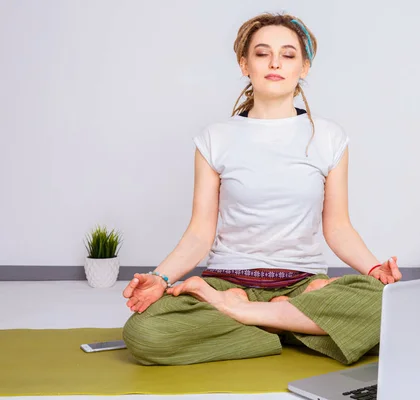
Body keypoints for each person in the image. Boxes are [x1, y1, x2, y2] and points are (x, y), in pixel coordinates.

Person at [121, 12, 402, 367]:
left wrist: (375, 270)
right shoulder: (215, 138)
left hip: (302, 285)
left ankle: (245, 315)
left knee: (384, 303)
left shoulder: (329, 138)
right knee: (145, 332)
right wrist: (160, 278)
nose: (274, 63)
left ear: (304, 67)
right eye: (262, 53)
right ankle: (292, 324)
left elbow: (338, 227)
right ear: (244, 64)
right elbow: (199, 232)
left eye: (288, 55)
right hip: (227, 281)